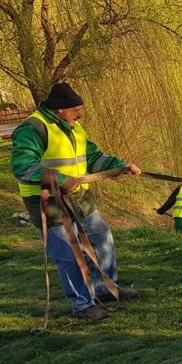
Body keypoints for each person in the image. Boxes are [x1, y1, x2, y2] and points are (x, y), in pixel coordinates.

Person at [12, 82, 140, 322]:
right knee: (69, 254)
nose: (80, 114)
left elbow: (92, 157)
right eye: (76, 110)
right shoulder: (32, 129)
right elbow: (22, 166)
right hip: (48, 202)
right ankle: (82, 304)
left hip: (80, 197)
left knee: (102, 238)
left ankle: (106, 289)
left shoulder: (75, 127)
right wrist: (59, 179)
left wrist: (119, 166)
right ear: (60, 109)